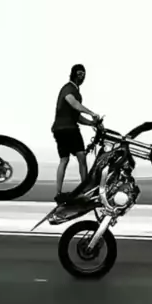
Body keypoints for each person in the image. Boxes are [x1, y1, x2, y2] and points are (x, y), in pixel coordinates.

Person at [51, 64, 100, 204]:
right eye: (79, 74)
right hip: (68, 129)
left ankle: (59, 193)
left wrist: (91, 123)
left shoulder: (75, 90)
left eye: (83, 74)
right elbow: (73, 103)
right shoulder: (69, 88)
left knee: (64, 160)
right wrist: (92, 113)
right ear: (73, 74)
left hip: (60, 128)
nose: (82, 77)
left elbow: (76, 116)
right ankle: (85, 190)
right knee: (81, 157)